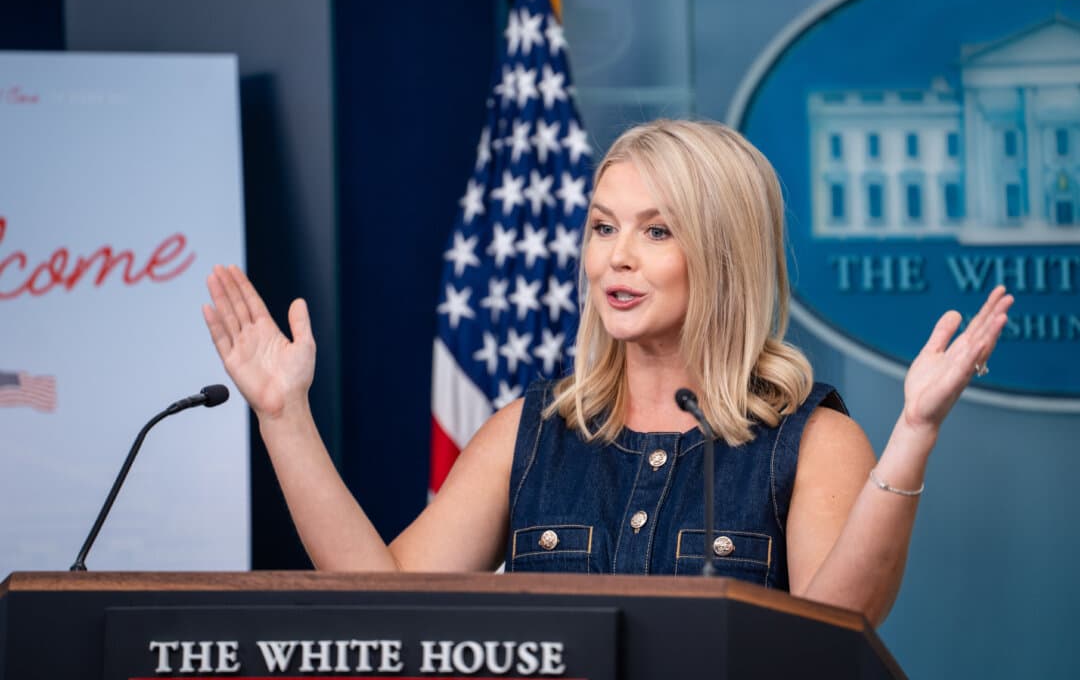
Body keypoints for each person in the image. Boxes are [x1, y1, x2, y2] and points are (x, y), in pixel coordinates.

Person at [202, 119, 1012, 627]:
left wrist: (911, 437)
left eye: (657, 231)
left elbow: (835, 627)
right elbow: (382, 600)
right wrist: (284, 418)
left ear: (723, 255)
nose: (616, 257)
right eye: (602, 227)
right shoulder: (532, 429)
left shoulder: (812, 440)